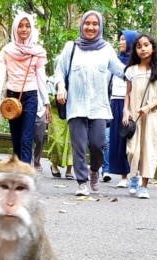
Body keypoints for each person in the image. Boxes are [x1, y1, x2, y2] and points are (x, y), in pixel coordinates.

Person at [54, 10, 125, 196]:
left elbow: (120, 70)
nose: (91, 27)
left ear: (100, 27)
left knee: (98, 144)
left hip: (99, 106)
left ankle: (94, 170)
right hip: (75, 105)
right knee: (78, 145)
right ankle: (82, 182)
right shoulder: (71, 47)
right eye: (87, 23)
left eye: (95, 24)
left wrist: (144, 72)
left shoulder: (106, 49)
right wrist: (61, 86)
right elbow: (59, 71)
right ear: (82, 25)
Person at [0, 12, 51, 165]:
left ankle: (25, 176)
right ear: (15, 28)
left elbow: (41, 80)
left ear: (32, 29)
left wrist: (46, 103)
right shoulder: (7, 51)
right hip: (11, 98)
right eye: (21, 26)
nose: (24, 29)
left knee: (26, 138)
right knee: (16, 139)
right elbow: (1, 77)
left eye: (28, 26)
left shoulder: (38, 52)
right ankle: (17, 171)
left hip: (30, 96)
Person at [123, 33, 157, 199]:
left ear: (153, 47)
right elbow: (127, 93)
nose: (142, 49)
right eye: (139, 46)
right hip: (134, 115)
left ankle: (144, 185)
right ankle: (133, 176)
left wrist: (149, 107)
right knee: (132, 150)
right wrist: (125, 111)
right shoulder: (131, 71)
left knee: (149, 148)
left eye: (146, 45)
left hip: (151, 116)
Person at [108, 30, 138, 188]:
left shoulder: (138, 62)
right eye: (119, 40)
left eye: (123, 40)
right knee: (118, 139)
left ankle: (135, 174)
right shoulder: (115, 61)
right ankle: (123, 175)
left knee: (131, 138)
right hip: (115, 101)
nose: (120, 43)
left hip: (132, 103)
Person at [32, 98, 50, 171]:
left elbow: (47, 96)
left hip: (41, 111)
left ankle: (37, 161)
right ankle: (26, 161)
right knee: (26, 139)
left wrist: (48, 110)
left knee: (40, 139)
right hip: (27, 110)